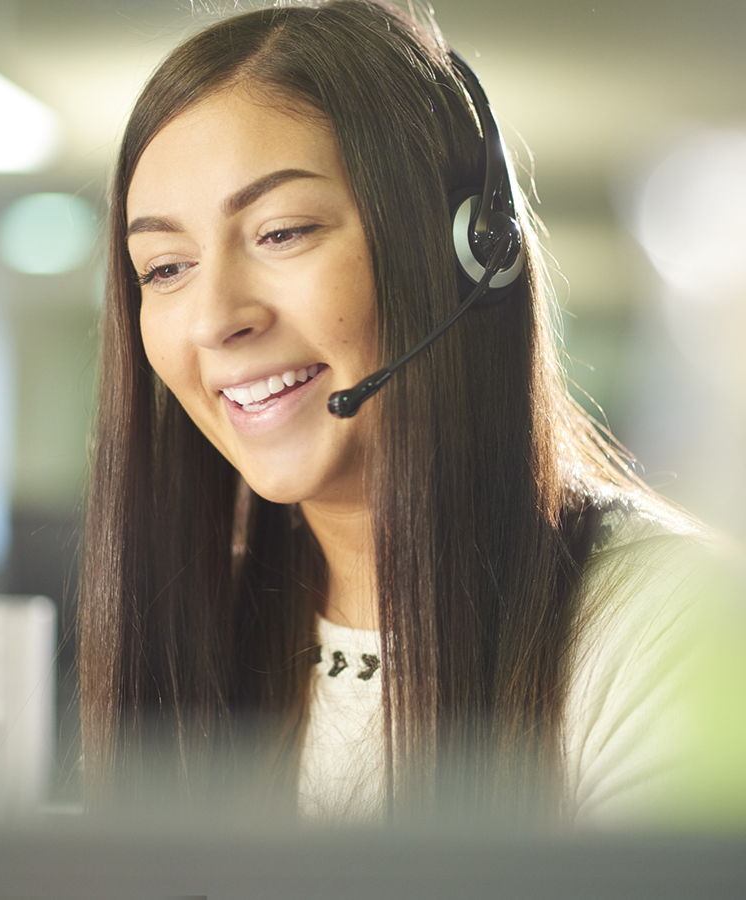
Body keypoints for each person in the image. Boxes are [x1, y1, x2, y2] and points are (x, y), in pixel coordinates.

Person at [79, 0, 734, 827]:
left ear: (467, 254)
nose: (216, 318)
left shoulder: (671, 625)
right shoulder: (205, 623)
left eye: (281, 233)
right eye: (165, 267)